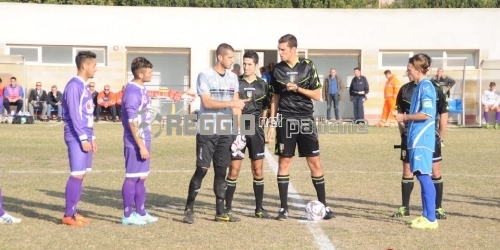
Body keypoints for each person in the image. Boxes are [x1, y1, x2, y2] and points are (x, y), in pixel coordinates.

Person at [267, 34, 334, 220]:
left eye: (283, 50)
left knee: (315, 163)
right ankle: (283, 208)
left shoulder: (308, 66)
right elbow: (274, 98)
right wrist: (272, 124)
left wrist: (297, 88)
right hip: (286, 120)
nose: (280, 53)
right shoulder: (278, 70)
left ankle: (324, 206)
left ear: (294, 49)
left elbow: (317, 94)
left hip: (305, 120)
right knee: (284, 163)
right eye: (279, 49)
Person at [182, 43, 246, 224]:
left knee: (221, 172)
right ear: (220, 57)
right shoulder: (205, 76)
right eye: (230, 58)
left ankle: (220, 212)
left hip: (226, 130)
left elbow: (235, 103)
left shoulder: (233, 78)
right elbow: (208, 103)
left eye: (234, 58)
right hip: (208, 128)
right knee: (202, 170)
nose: (233, 61)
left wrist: (237, 129)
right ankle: (189, 209)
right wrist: (231, 104)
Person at [393, 53, 449, 221]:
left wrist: (405, 118)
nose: (407, 72)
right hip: (416, 138)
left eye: (409, 69)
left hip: (422, 138)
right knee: (420, 174)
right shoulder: (419, 86)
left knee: (425, 175)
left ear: (418, 70)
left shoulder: (426, 87)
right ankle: (426, 215)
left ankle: (431, 217)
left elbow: (426, 114)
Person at [224, 51, 272, 219]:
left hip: (256, 129)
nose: (246, 67)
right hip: (239, 128)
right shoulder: (236, 83)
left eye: (249, 64)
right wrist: (237, 130)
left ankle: (259, 208)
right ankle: (227, 208)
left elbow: (266, 107)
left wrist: (264, 126)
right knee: (234, 170)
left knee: (257, 170)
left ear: (256, 65)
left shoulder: (263, 85)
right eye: (244, 64)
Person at [61, 51, 98, 227]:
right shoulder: (74, 86)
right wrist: (83, 138)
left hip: (85, 135)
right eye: (94, 65)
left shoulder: (84, 86)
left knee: (81, 174)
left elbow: (87, 114)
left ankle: (74, 211)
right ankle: (68, 215)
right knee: (76, 174)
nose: (95, 69)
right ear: (84, 66)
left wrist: (93, 136)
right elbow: (75, 115)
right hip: (76, 136)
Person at [120, 57, 159, 226]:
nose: (152, 74)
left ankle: (141, 212)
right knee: (132, 177)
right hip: (135, 142)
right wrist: (141, 145)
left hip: (145, 139)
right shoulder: (132, 93)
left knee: (142, 177)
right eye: (149, 72)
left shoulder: (142, 89)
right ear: (140, 74)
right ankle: (128, 215)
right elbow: (132, 122)